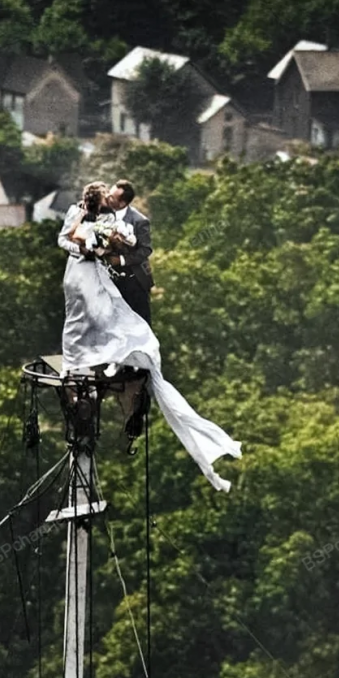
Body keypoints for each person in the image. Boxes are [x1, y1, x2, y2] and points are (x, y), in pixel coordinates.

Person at [57, 181, 242, 493]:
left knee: (108, 316)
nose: (110, 204)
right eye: (106, 199)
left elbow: (134, 246)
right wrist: (86, 249)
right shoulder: (79, 214)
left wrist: (110, 249)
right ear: (98, 200)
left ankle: (117, 355)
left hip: (112, 276)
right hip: (80, 272)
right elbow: (66, 239)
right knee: (82, 317)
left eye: (113, 199)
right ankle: (83, 359)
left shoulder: (119, 220)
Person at [105, 179, 153, 326]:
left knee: (138, 321)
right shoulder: (102, 214)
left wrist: (121, 260)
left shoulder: (139, 221)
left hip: (134, 279)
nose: (107, 197)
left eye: (112, 197)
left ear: (122, 203)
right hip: (107, 278)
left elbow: (146, 250)